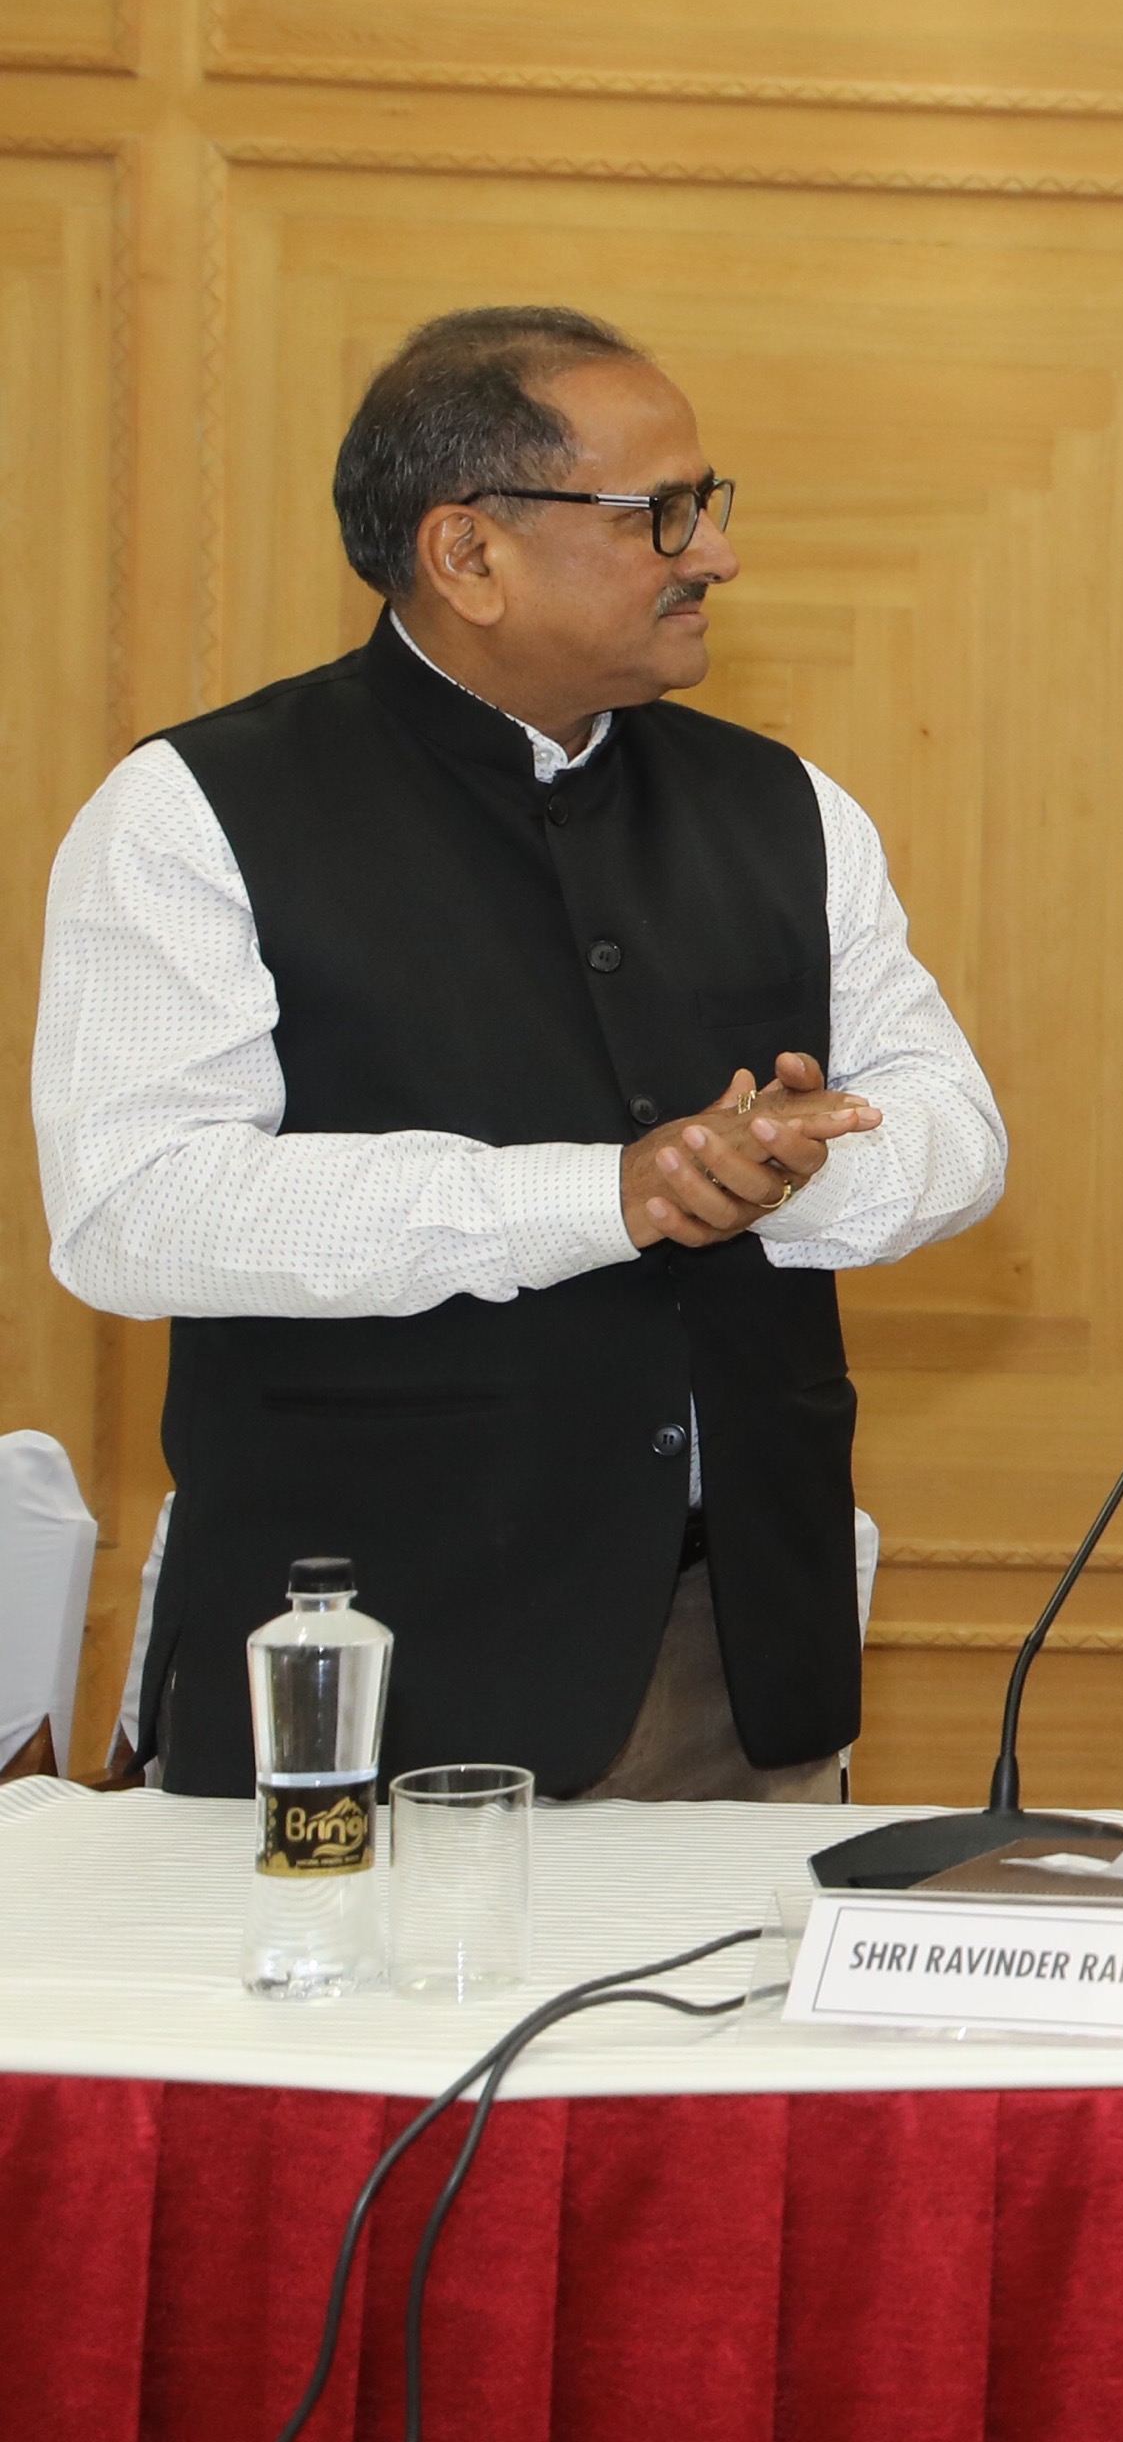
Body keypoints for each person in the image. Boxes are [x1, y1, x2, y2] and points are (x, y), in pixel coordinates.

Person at [34, 307, 1007, 1798]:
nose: (715, 554)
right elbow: (134, 1210)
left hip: (730, 1660)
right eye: (658, 515)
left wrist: (787, 1172)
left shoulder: (786, 806)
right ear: (467, 554)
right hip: (372, 1663)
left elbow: (954, 1125)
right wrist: (599, 1197)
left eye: (709, 503)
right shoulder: (192, 812)